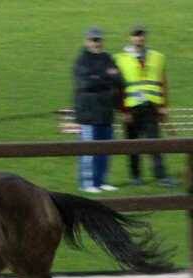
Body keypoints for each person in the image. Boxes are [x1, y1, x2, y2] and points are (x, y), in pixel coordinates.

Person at [113, 25, 178, 188]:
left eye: (141, 35)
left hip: (151, 106)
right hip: (130, 108)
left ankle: (161, 176)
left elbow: (163, 83)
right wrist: (122, 110)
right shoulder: (119, 59)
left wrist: (163, 106)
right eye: (136, 35)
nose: (139, 38)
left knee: (155, 144)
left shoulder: (157, 57)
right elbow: (117, 87)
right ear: (130, 38)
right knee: (132, 145)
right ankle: (135, 177)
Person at [73, 27, 125, 193]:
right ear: (87, 41)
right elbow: (84, 84)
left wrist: (99, 77)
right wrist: (106, 77)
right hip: (88, 112)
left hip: (106, 111)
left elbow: (120, 80)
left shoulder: (108, 58)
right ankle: (87, 183)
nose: (96, 43)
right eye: (93, 40)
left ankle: (101, 181)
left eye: (98, 40)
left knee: (105, 149)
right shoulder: (81, 61)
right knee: (88, 150)